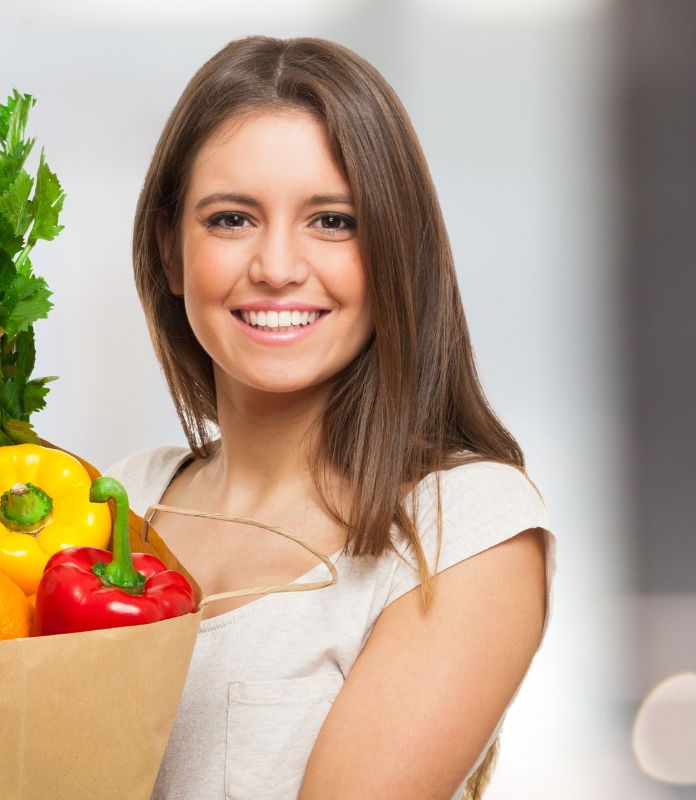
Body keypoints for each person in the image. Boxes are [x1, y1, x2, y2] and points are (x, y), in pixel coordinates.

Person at [104, 36, 556, 800]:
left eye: (333, 222)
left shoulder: (462, 529)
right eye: (231, 219)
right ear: (170, 251)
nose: (277, 266)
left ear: (394, 253)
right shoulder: (116, 500)